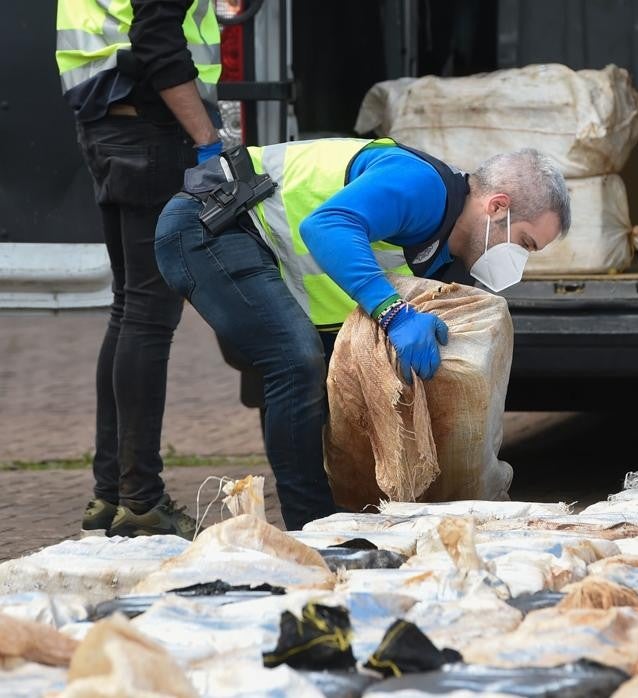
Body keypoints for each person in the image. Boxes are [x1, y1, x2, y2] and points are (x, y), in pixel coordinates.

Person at [154, 141, 570, 529]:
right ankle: (312, 528)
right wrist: (394, 313)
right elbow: (327, 226)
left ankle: (345, 515)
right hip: (214, 221)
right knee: (295, 360)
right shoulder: (423, 186)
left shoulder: (450, 260)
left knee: (329, 375)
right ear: (498, 207)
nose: (520, 262)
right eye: (525, 244)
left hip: (254, 245)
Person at [56, 0, 223, 539]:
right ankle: (142, 500)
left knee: (129, 308)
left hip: (107, 126)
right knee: (149, 316)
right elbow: (158, 42)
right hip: (150, 132)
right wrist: (209, 142)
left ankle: (111, 493)